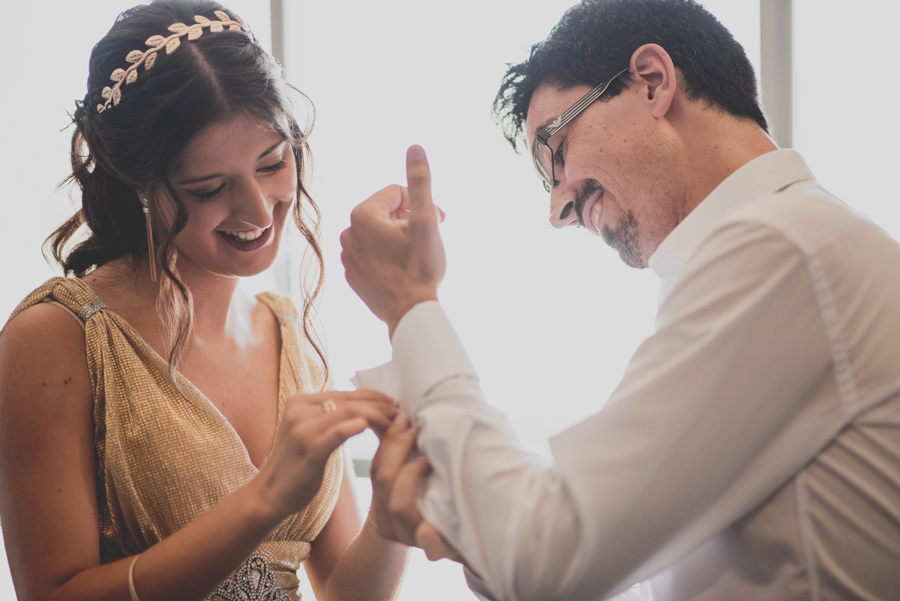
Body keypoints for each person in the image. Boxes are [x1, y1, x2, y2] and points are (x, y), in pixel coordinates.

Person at [339, 0, 900, 600]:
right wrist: (472, 527)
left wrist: (411, 303)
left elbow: (550, 558)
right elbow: (606, 555)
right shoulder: (776, 253)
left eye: (554, 150)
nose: (558, 210)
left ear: (652, 82)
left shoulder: (784, 250)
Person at [0, 1, 409, 600]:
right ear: (140, 183)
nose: (256, 210)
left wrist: (393, 513)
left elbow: (345, 592)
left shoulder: (288, 331)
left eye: (273, 163)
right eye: (211, 188)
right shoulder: (57, 338)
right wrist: (264, 500)